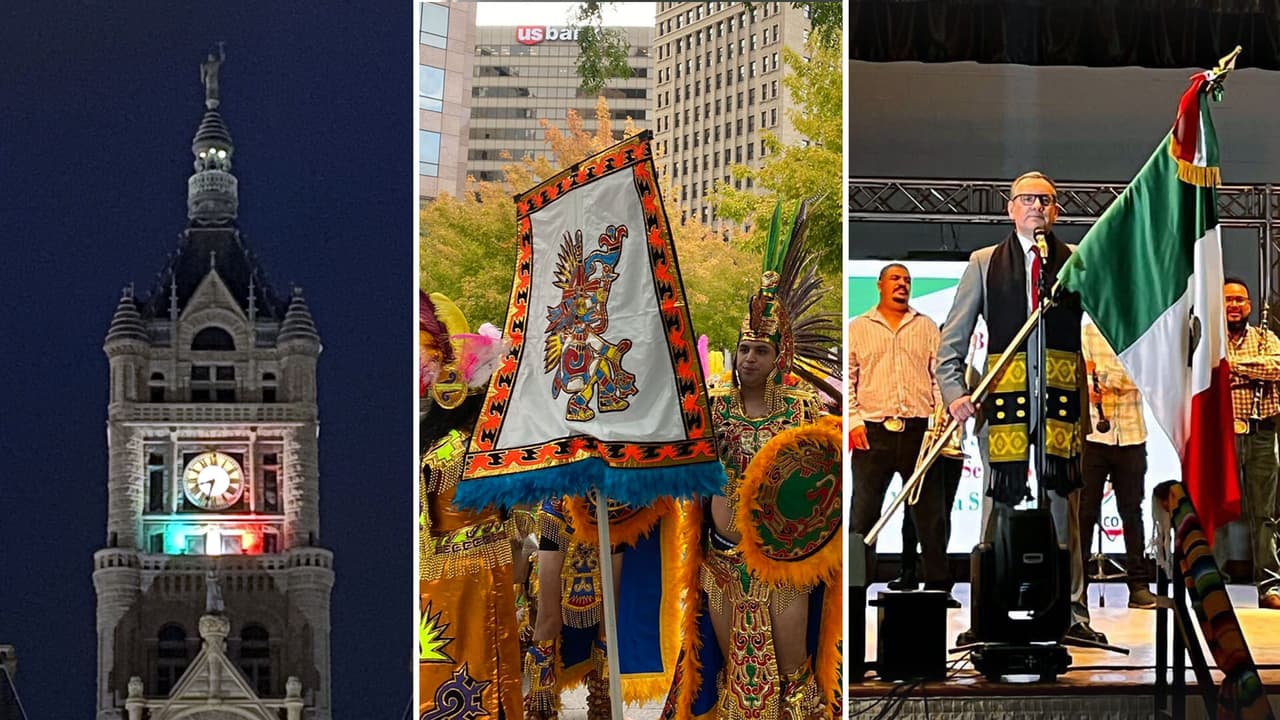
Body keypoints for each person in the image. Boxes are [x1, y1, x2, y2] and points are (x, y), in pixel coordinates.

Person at [663, 201, 842, 720]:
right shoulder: (712, 409)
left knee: (796, 681)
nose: (747, 359)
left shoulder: (804, 412)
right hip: (721, 563)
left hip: (784, 568)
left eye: (759, 351)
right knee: (734, 676)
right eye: (743, 349)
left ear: (779, 356)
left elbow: (821, 491)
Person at [936, 171, 1106, 646]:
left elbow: (1110, 317)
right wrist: (955, 394)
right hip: (1004, 403)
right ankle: (987, 610)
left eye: (1046, 201)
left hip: (1060, 404)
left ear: (1057, 212)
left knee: (1063, 508)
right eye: (1027, 199)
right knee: (996, 504)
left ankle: (1071, 611)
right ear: (1010, 208)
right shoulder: (985, 263)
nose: (1036, 207)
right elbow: (951, 342)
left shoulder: (1075, 264)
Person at [419, 291, 522, 719]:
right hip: (444, 580)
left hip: (466, 578)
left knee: (471, 678)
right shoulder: (446, 437)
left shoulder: (465, 444)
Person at [849, 263, 955, 599]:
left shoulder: (925, 326)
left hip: (920, 433)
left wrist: (940, 423)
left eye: (907, 280)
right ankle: (855, 588)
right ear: (879, 285)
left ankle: (938, 586)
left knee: (931, 515)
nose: (902, 284)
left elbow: (939, 377)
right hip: (873, 433)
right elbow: (850, 378)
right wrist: (853, 422)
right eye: (895, 278)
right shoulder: (858, 327)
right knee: (863, 515)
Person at [1078, 322, 1158, 610]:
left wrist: (1104, 376)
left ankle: (1138, 585)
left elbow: (1143, 377)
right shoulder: (1085, 331)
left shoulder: (1139, 331)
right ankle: (1078, 589)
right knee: (1084, 513)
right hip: (1092, 436)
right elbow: (1082, 379)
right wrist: (1098, 379)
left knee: (1131, 512)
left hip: (1132, 434)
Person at [1221, 277, 1280, 609]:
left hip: (1261, 433)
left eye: (1240, 300)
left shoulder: (1265, 337)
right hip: (1224, 434)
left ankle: (1269, 585)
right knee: (1219, 510)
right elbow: (1213, 370)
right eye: (1228, 300)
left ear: (1250, 305)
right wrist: (1252, 372)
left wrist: (1237, 367)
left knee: (1265, 513)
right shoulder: (1211, 340)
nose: (1234, 306)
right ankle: (1215, 586)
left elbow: (1277, 367)